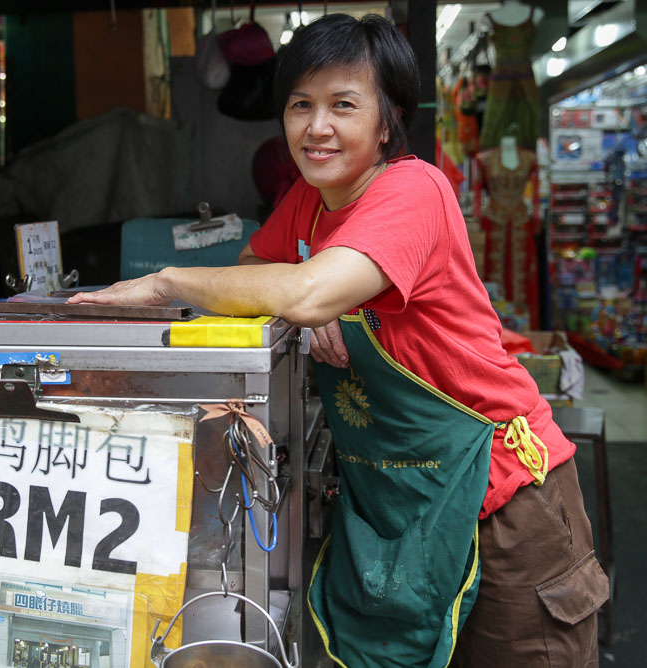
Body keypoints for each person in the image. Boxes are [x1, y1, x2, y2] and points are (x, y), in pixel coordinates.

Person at [68, 12, 609, 668]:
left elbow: (299, 291)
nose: (316, 126)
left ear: (387, 121)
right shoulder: (308, 200)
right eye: (301, 105)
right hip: (402, 503)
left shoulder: (414, 189)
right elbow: (255, 271)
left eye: (343, 105)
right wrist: (304, 289)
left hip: (502, 502)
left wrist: (169, 283)